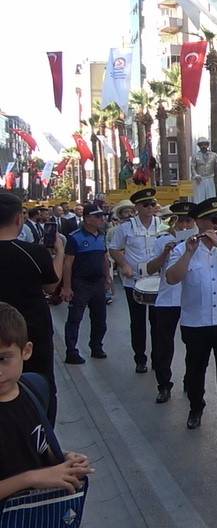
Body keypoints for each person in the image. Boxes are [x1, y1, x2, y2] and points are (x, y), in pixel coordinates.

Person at [163, 197, 217, 435]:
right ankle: (195, 408)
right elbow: (172, 278)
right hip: (195, 321)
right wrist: (188, 254)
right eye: (214, 220)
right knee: (195, 368)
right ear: (199, 222)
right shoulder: (183, 247)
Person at [0, 304, 94, 504]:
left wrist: (65, 460)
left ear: (26, 351)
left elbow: (40, 447)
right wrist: (31, 478)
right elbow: (34, 475)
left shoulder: (31, 392)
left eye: (3, 358)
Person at [0, 193, 63, 423]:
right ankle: (42, 438)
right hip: (32, 332)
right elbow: (51, 283)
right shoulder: (34, 252)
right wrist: (59, 251)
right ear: (19, 219)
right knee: (41, 384)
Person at [143, 201, 196, 404]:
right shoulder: (161, 241)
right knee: (163, 346)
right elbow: (150, 269)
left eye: (187, 221)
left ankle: (190, 380)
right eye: (179, 221)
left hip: (190, 299)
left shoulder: (198, 241)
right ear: (172, 221)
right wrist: (165, 252)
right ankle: (164, 385)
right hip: (167, 299)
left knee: (193, 345)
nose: (183, 225)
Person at [109, 188, 163, 373]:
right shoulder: (126, 227)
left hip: (156, 280)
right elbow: (114, 249)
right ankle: (140, 358)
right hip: (135, 281)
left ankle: (158, 358)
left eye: (153, 204)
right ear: (137, 207)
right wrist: (124, 265)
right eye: (146, 205)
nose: (150, 208)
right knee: (137, 322)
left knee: (158, 322)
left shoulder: (162, 224)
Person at [61, 205, 110, 366]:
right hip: (81, 283)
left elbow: (104, 258)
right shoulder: (75, 237)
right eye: (97, 217)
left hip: (98, 283)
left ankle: (96, 346)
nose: (101, 219)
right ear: (87, 218)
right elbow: (68, 263)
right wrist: (67, 287)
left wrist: (107, 277)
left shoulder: (102, 236)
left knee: (100, 319)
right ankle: (71, 351)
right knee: (75, 318)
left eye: (102, 216)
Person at [191, 137, 217, 202]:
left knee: (211, 196)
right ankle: (199, 209)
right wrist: (195, 175)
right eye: (201, 144)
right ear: (199, 146)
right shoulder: (195, 156)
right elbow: (192, 167)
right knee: (199, 197)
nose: (203, 146)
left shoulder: (214, 155)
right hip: (199, 179)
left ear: (207, 145)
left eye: (205, 144)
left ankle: (211, 209)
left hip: (210, 178)